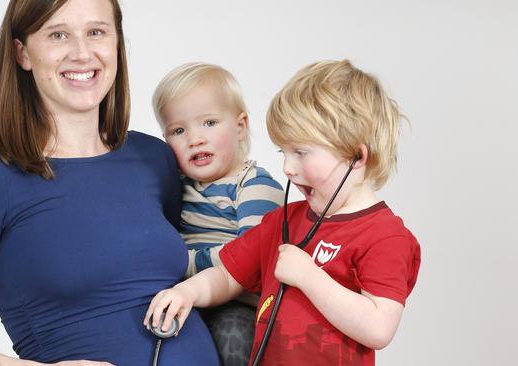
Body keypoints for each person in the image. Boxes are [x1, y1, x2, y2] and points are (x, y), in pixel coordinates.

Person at [0, 1, 220, 365]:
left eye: (96, 32)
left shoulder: (156, 158)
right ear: (22, 52)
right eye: (58, 35)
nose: (82, 53)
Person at [144, 60, 422, 365]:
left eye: (301, 153)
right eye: (284, 154)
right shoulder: (284, 221)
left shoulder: (385, 236)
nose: (288, 169)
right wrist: (189, 292)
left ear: (355, 156)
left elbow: (378, 328)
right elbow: (228, 274)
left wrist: (309, 277)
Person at [152, 63, 284, 365]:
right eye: (179, 130)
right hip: (188, 300)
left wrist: (181, 263)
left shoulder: (254, 185)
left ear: (240, 126)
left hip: (238, 303)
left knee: (233, 335)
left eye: (209, 123)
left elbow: (247, 262)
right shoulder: (176, 187)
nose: (195, 138)